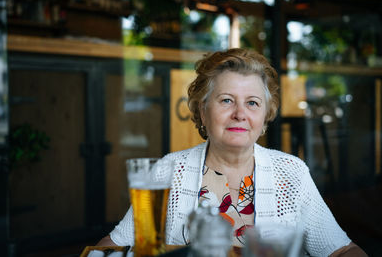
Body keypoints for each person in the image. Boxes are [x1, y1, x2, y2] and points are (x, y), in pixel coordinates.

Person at [97, 48, 367, 256]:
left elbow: (342, 250)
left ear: (265, 116)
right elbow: (111, 246)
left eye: (252, 103)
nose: (240, 114)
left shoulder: (291, 172)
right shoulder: (170, 170)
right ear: (202, 111)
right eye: (226, 100)